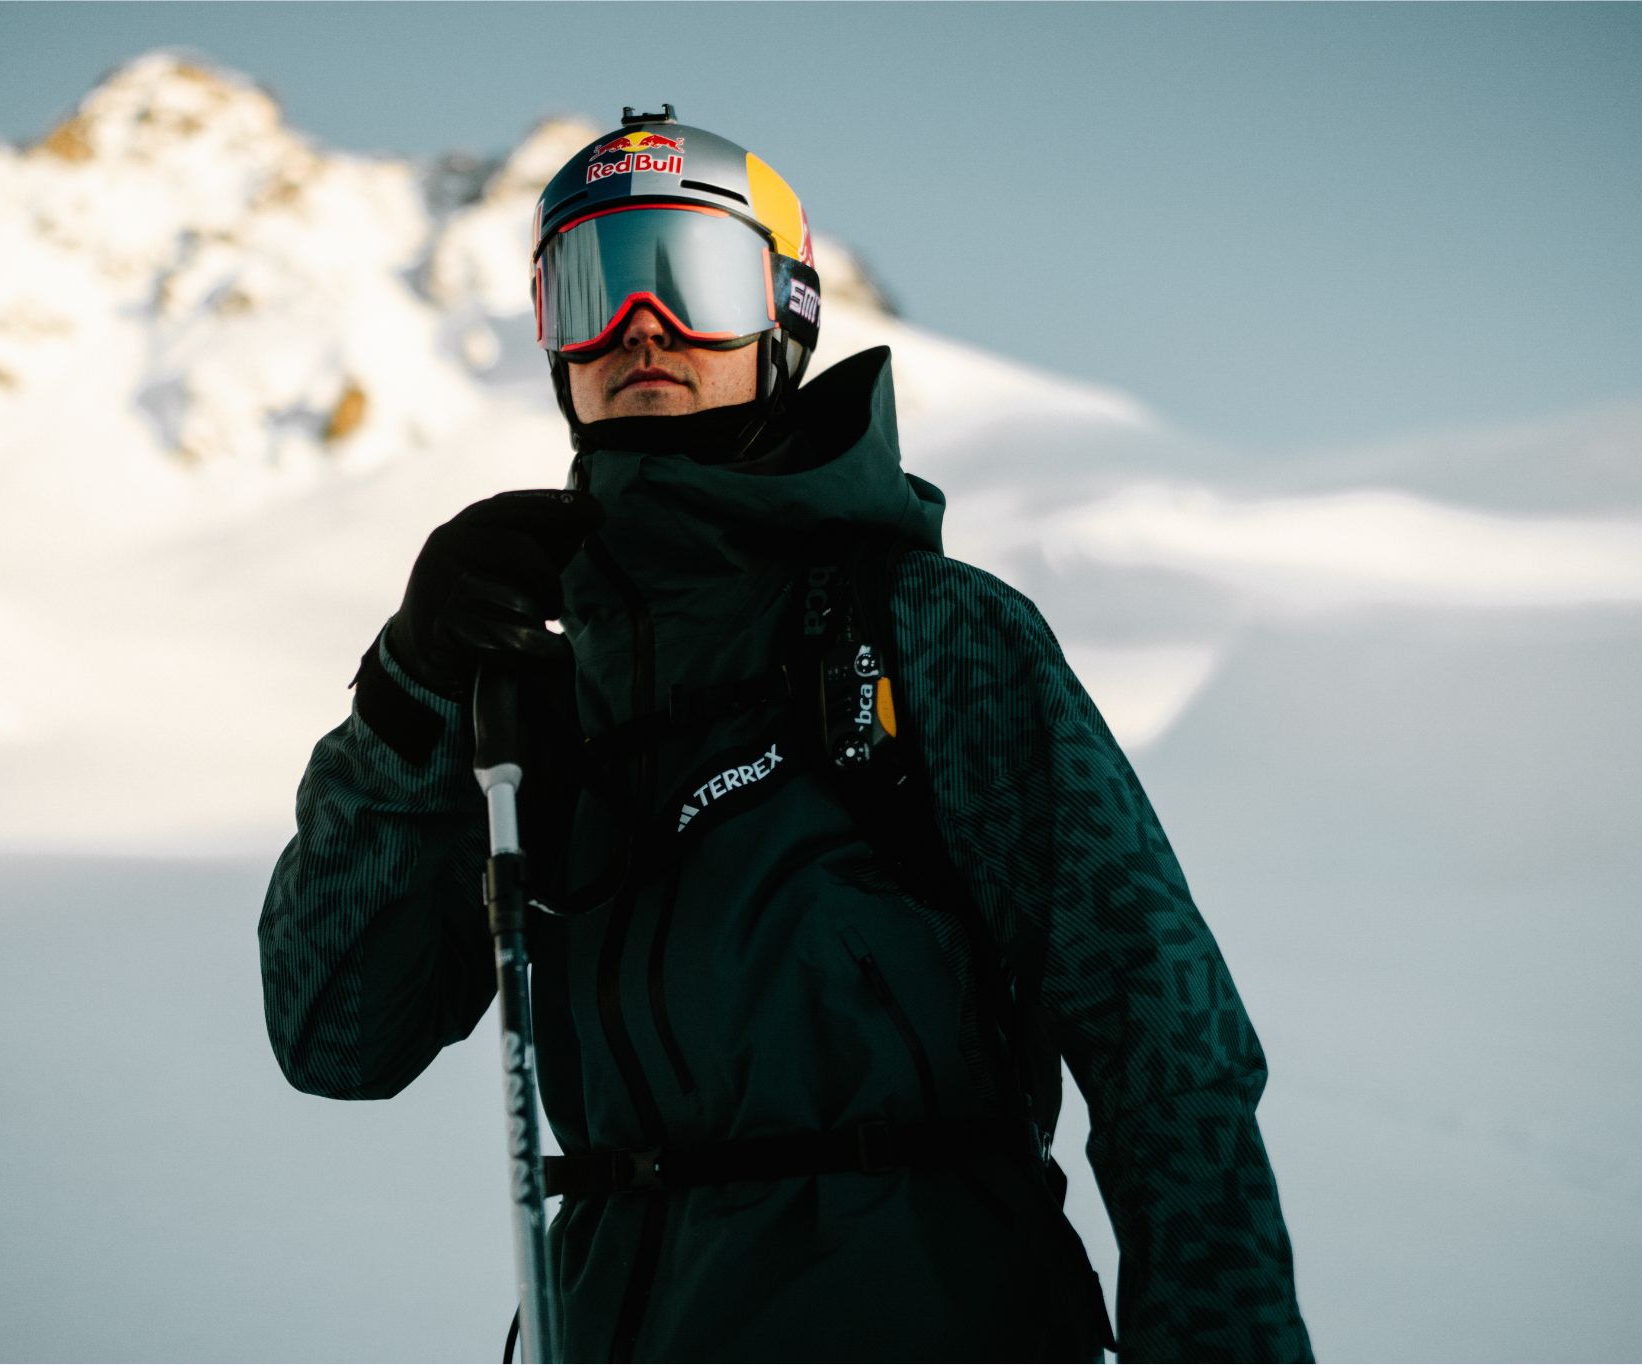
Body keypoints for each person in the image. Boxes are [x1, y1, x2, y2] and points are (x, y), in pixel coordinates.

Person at [259, 107, 1312, 1363]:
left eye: (693, 280)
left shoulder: (930, 634)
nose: (639, 325)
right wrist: (410, 692)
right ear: (552, 341)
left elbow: (1164, 1037)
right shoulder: (528, 689)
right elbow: (335, 1037)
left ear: (785, 318)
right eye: (592, 287)